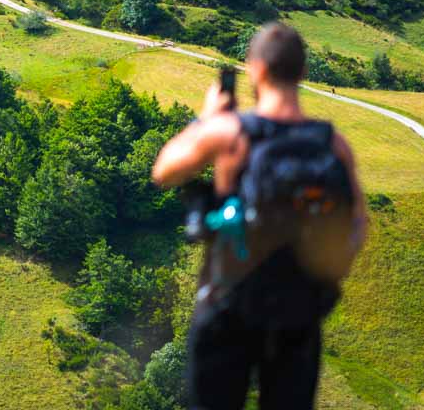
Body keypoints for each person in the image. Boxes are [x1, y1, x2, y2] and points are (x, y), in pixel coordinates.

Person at [151, 22, 367, 410]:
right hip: (298, 311)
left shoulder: (231, 133)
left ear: (256, 69)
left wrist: (205, 118)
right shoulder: (333, 144)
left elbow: (164, 170)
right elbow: (356, 222)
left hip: (229, 304)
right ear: (301, 73)